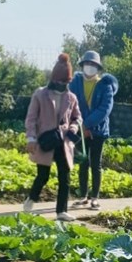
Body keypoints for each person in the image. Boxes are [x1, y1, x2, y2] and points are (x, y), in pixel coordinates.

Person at [22, 52, 83, 222]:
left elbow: (77, 117)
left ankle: (61, 211)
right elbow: (31, 118)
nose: (63, 85)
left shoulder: (71, 98)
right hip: (46, 140)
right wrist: (31, 138)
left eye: (66, 82)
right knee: (43, 176)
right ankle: (31, 199)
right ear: (54, 79)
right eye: (60, 81)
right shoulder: (40, 94)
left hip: (64, 142)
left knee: (65, 176)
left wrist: (73, 128)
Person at [68, 49, 118, 210]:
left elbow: (104, 110)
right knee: (83, 162)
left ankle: (95, 198)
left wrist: (87, 125)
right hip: (80, 129)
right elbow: (70, 104)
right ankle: (83, 196)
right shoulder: (75, 83)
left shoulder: (105, 85)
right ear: (82, 65)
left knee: (96, 164)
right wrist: (79, 125)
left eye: (93, 64)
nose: (89, 67)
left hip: (98, 131)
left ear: (98, 67)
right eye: (87, 63)